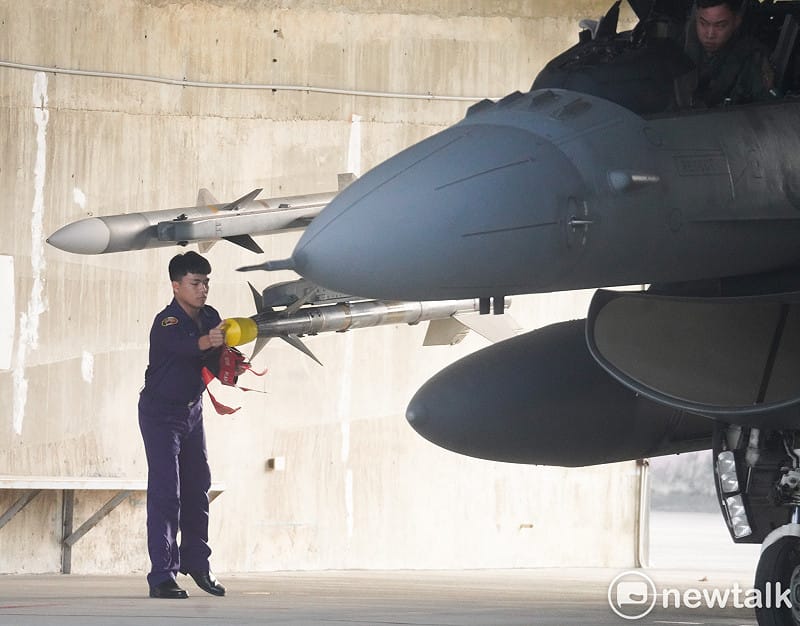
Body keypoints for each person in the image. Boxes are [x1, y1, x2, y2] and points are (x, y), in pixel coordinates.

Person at [138, 251, 227, 599]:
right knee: (166, 493)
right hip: (160, 414)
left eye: (206, 282)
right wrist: (212, 341)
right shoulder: (167, 323)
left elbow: (213, 356)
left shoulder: (211, 317)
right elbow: (189, 348)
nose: (203, 289)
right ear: (176, 286)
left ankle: (198, 563)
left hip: (192, 410)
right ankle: (162, 575)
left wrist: (229, 359)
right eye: (195, 283)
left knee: (198, 487)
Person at [677, 0, 775, 107]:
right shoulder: (676, 52)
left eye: (720, 26)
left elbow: (768, 110)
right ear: (695, 18)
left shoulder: (749, 61)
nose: (710, 34)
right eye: (703, 23)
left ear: (736, 21)